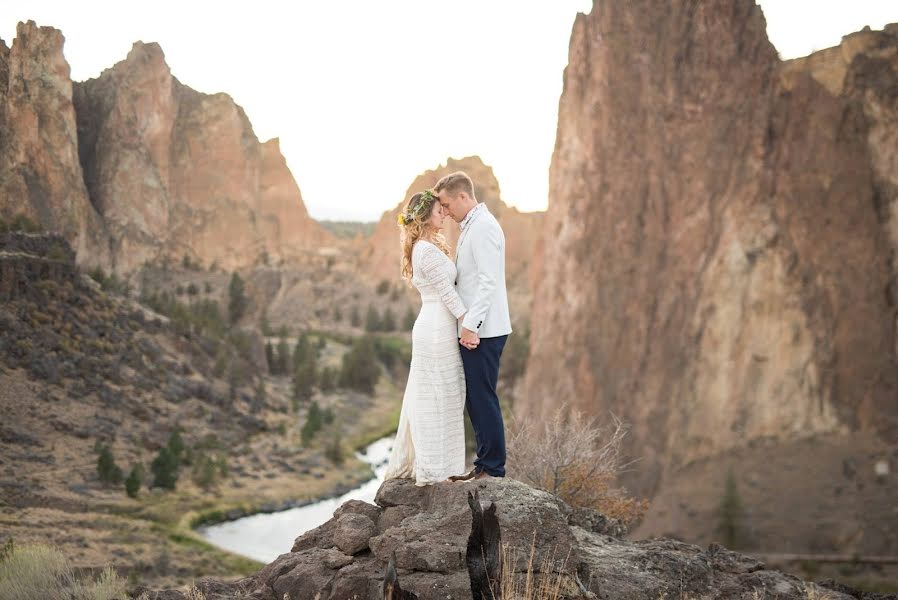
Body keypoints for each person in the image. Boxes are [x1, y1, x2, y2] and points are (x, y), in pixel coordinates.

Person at [383, 189, 467, 485]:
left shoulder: (428, 245)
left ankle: (447, 468)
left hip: (438, 326)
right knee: (436, 396)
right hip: (436, 329)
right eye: (438, 210)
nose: (444, 213)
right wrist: (470, 325)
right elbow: (448, 294)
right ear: (424, 216)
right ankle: (435, 471)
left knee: (447, 394)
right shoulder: (425, 250)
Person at [434, 171, 512, 482]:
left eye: (447, 204)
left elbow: (488, 282)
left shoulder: (483, 227)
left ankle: (493, 468)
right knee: (475, 397)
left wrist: (471, 326)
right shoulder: (472, 225)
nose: (446, 211)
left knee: (483, 396)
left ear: (463, 197)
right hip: (478, 328)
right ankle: (484, 464)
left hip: (485, 330)